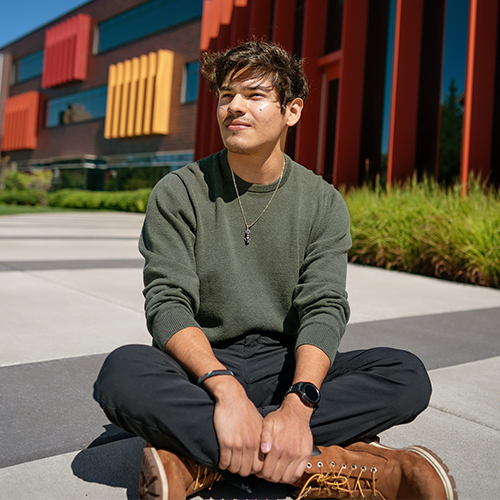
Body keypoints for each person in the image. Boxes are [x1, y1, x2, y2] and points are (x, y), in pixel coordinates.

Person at [94, 40, 456, 500]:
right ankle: (332, 467)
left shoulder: (323, 202)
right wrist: (225, 391)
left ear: (292, 111)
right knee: (122, 373)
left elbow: (324, 307)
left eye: (254, 95)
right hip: (201, 365)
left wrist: (299, 403)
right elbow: (167, 304)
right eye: (226, 95)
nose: (234, 107)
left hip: (284, 364)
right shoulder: (179, 191)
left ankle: (195, 460)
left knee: (405, 375)